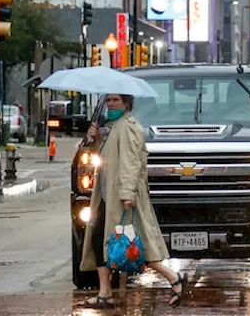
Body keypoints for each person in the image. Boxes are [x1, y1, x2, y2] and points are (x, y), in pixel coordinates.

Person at [79, 93, 187, 309]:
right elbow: (104, 157)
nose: (110, 104)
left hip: (120, 197)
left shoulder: (128, 126)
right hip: (106, 197)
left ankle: (174, 278)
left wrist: (127, 193)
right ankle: (105, 293)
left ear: (127, 103)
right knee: (100, 240)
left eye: (115, 100)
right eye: (108, 100)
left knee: (134, 244)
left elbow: (131, 162)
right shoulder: (112, 127)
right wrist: (94, 139)